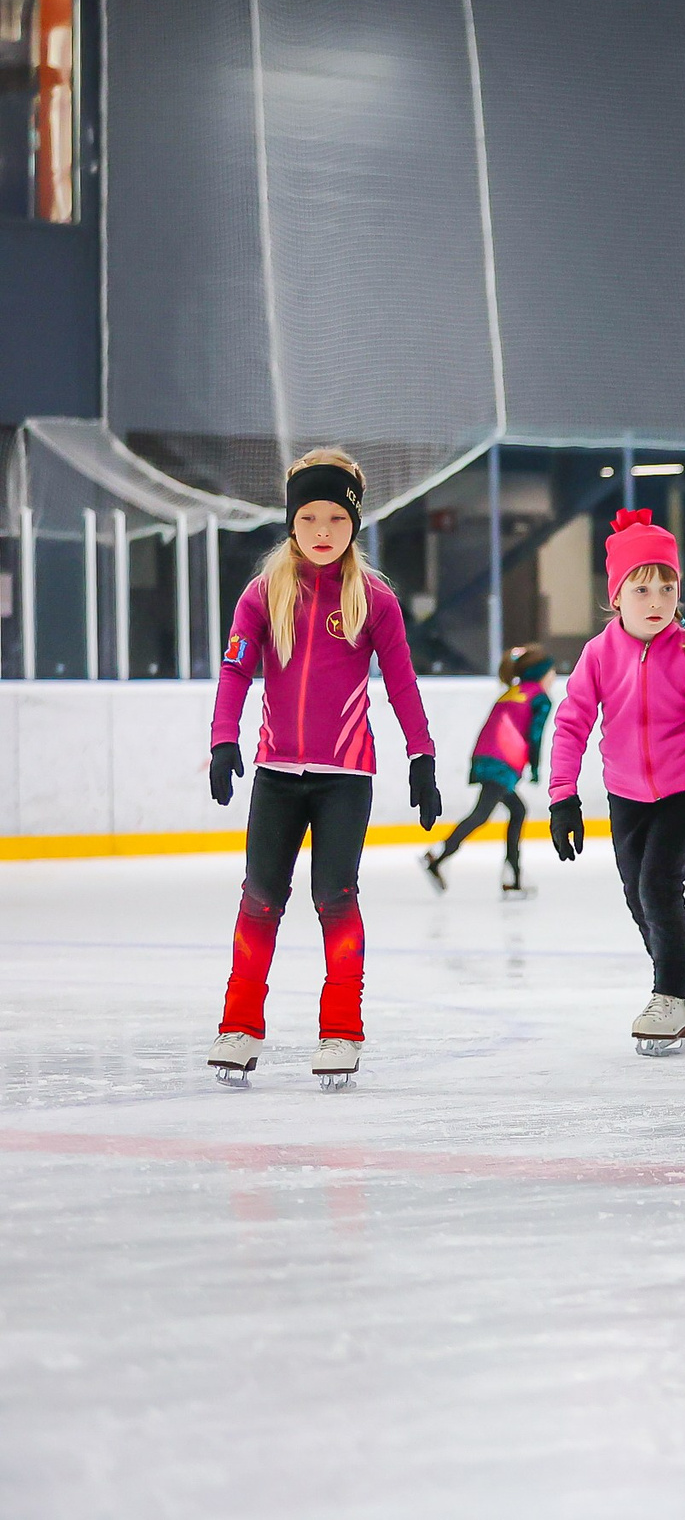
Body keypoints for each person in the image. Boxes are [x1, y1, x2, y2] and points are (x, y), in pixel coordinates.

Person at [204, 448, 438, 1088]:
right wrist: (225, 739)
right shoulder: (264, 593)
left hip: (345, 778)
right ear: (291, 522)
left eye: (337, 517)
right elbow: (235, 669)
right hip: (276, 773)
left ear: (354, 524)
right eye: (310, 517)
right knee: (259, 898)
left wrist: (423, 756)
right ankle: (239, 1026)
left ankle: (340, 1032)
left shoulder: (375, 599)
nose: (323, 531)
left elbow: (402, 682)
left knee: (334, 897)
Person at [547, 510, 685, 1057]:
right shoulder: (598, 656)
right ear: (617, 595)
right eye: (642, 589)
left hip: (683, 792)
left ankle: (672, 994)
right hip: (625, 795)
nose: (656, 600)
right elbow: (571, 725)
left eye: (667, 587)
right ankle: (680, 975)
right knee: (638, 896)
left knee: (660, 886)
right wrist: (562, 798)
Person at [422, 645, 554, 898]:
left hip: (485, 756)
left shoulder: (512, 693)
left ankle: (512, 875)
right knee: (481, 814)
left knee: (517, 809)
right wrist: (536, 768)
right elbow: (535, 734)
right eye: (550, 672)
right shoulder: (539, 697)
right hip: (502, 761)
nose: (552, 677)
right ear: (541, 673)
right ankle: (437, 855)